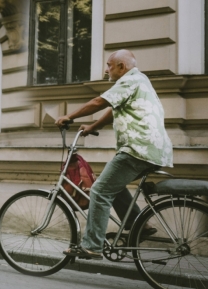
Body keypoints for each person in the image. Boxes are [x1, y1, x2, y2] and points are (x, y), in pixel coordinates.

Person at [55, 50, 173, 260]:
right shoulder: (140, 80)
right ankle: (140, 226)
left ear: (121, 67)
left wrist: (68, 116)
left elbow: (99, 102)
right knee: (111, 185)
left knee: (99, 191)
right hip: (154, 150)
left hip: (138, 149)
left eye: (109, 65)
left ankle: (91, 246)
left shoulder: (129, 80)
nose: (106, 69)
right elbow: (112, 108)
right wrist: (93, 126)